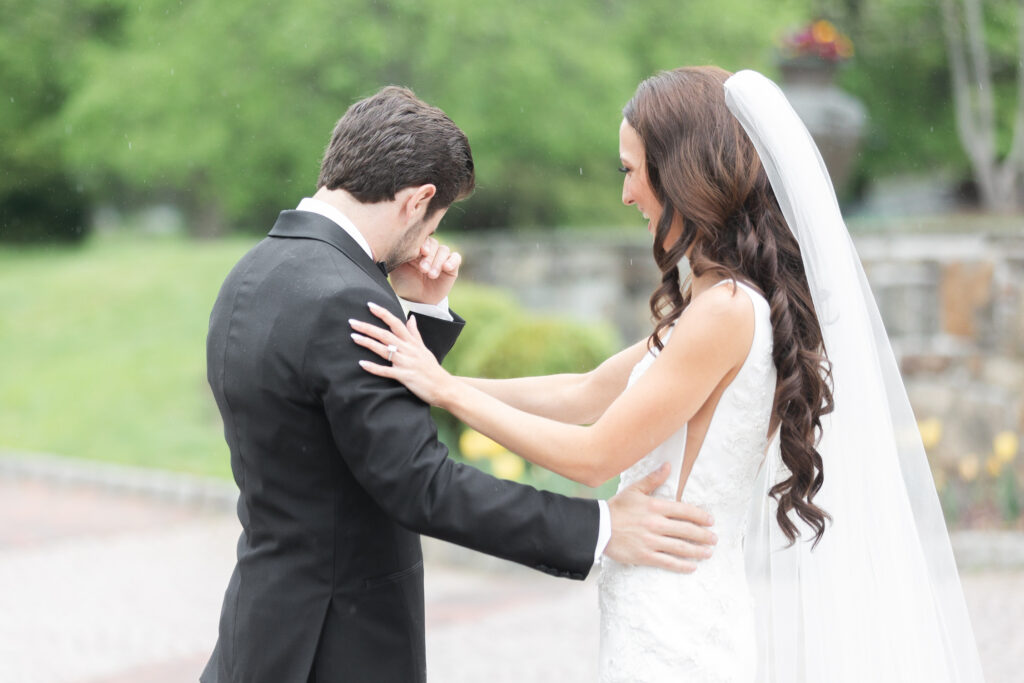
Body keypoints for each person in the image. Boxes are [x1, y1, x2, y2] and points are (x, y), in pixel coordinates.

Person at [353, 68, 985, 681]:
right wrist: (424, 375)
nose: (625, 194)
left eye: (631, 171)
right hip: (665, 602)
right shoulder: (716, 304)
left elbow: (596, 455)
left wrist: (445, 390)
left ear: (680, 173)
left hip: (677, 623)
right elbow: (583, 392)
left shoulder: (728, 312)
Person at [200, 85, 718, 683]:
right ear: (418, 199)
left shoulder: (254, 271)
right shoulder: (347, 296)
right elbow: (422, 484)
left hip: (262, 626)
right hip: (339, 642)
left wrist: (415, 312)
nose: (426, 244)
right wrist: (601, 528)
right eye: (435, 220)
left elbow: (323, 422)